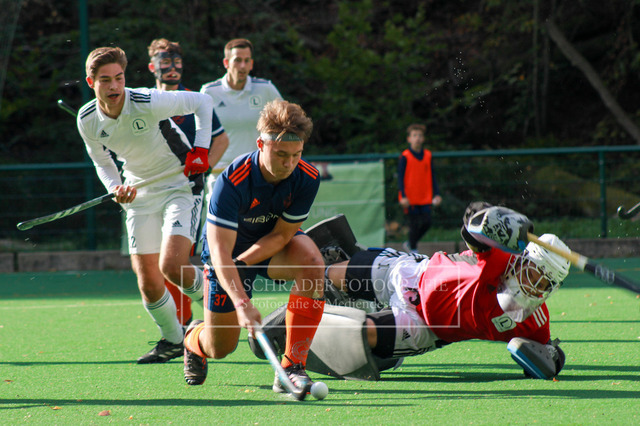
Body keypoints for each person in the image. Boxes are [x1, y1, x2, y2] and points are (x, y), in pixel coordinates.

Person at [253, 203, 571, 381]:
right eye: (535, 273)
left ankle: (294, 333)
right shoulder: (499, 257)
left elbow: (548, 353)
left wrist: (553, 360)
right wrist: (494, 218)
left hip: (424, 327)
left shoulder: (534, 319)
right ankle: (337, 293)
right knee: (325, 274)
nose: (536, 285)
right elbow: (473, 225)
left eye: (546, 283)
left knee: (359, 335)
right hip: (412, 272)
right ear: (522, 260)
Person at [77, 46, 213, 364]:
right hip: (139, 192)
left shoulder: (147, 100)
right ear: (91, 82)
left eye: (119, 78)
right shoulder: (86, 120)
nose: (114, 86)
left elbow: (203, 102)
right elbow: (102, 162)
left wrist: (201, 150)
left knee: (173, 265)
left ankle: (224, 304)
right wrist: (115, 188)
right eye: (105, 80)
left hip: (180, 184)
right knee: (148, 282)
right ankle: (174, 340)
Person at [183, 100, 325, 395]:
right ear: (261, 144)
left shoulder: (307, 178)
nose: (289, 164)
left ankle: (292, 367)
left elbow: (282, 236)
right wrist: (241, 302)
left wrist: (243, 266)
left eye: (296, 155)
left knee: (312, 263)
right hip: (226, 256)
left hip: (268, 246)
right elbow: (220, 253)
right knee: (220, 348)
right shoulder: (232, 182)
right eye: (281, 154)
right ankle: (193, 337)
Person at [147, 38, 230, 332]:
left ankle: (211, 311)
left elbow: (221, 140)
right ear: (152, 66)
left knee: (174, 260)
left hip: (185, 192)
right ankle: (179, 327)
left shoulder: (193, 100)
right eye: (164, 62)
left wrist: (203, 167)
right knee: (154, 262)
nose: (172, 68)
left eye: (176, 62)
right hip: (149, 191)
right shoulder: (142, 100)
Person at [200, 38, 282, 173]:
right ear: (226, 63)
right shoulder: (208, 92)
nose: (243, 66)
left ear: (251, 64)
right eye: (237, 60)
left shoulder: (266, 89)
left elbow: (287, 124)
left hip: (257, 171)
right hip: (220, 173)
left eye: (247, 60)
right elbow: (198, 133)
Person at [397, 123, 442, 253]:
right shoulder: (405, 156)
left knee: (427, 222)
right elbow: (400, 178)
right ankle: (413, 250)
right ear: (409, 139)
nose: (417, 138)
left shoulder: (428, 155)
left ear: (423, 139)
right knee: (414, 224)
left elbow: (432, 175)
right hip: (410, 198)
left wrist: (437, 194)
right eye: (414, 135)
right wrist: (403, 196)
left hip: (425, 197)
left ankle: (411, 243)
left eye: (420, 135)